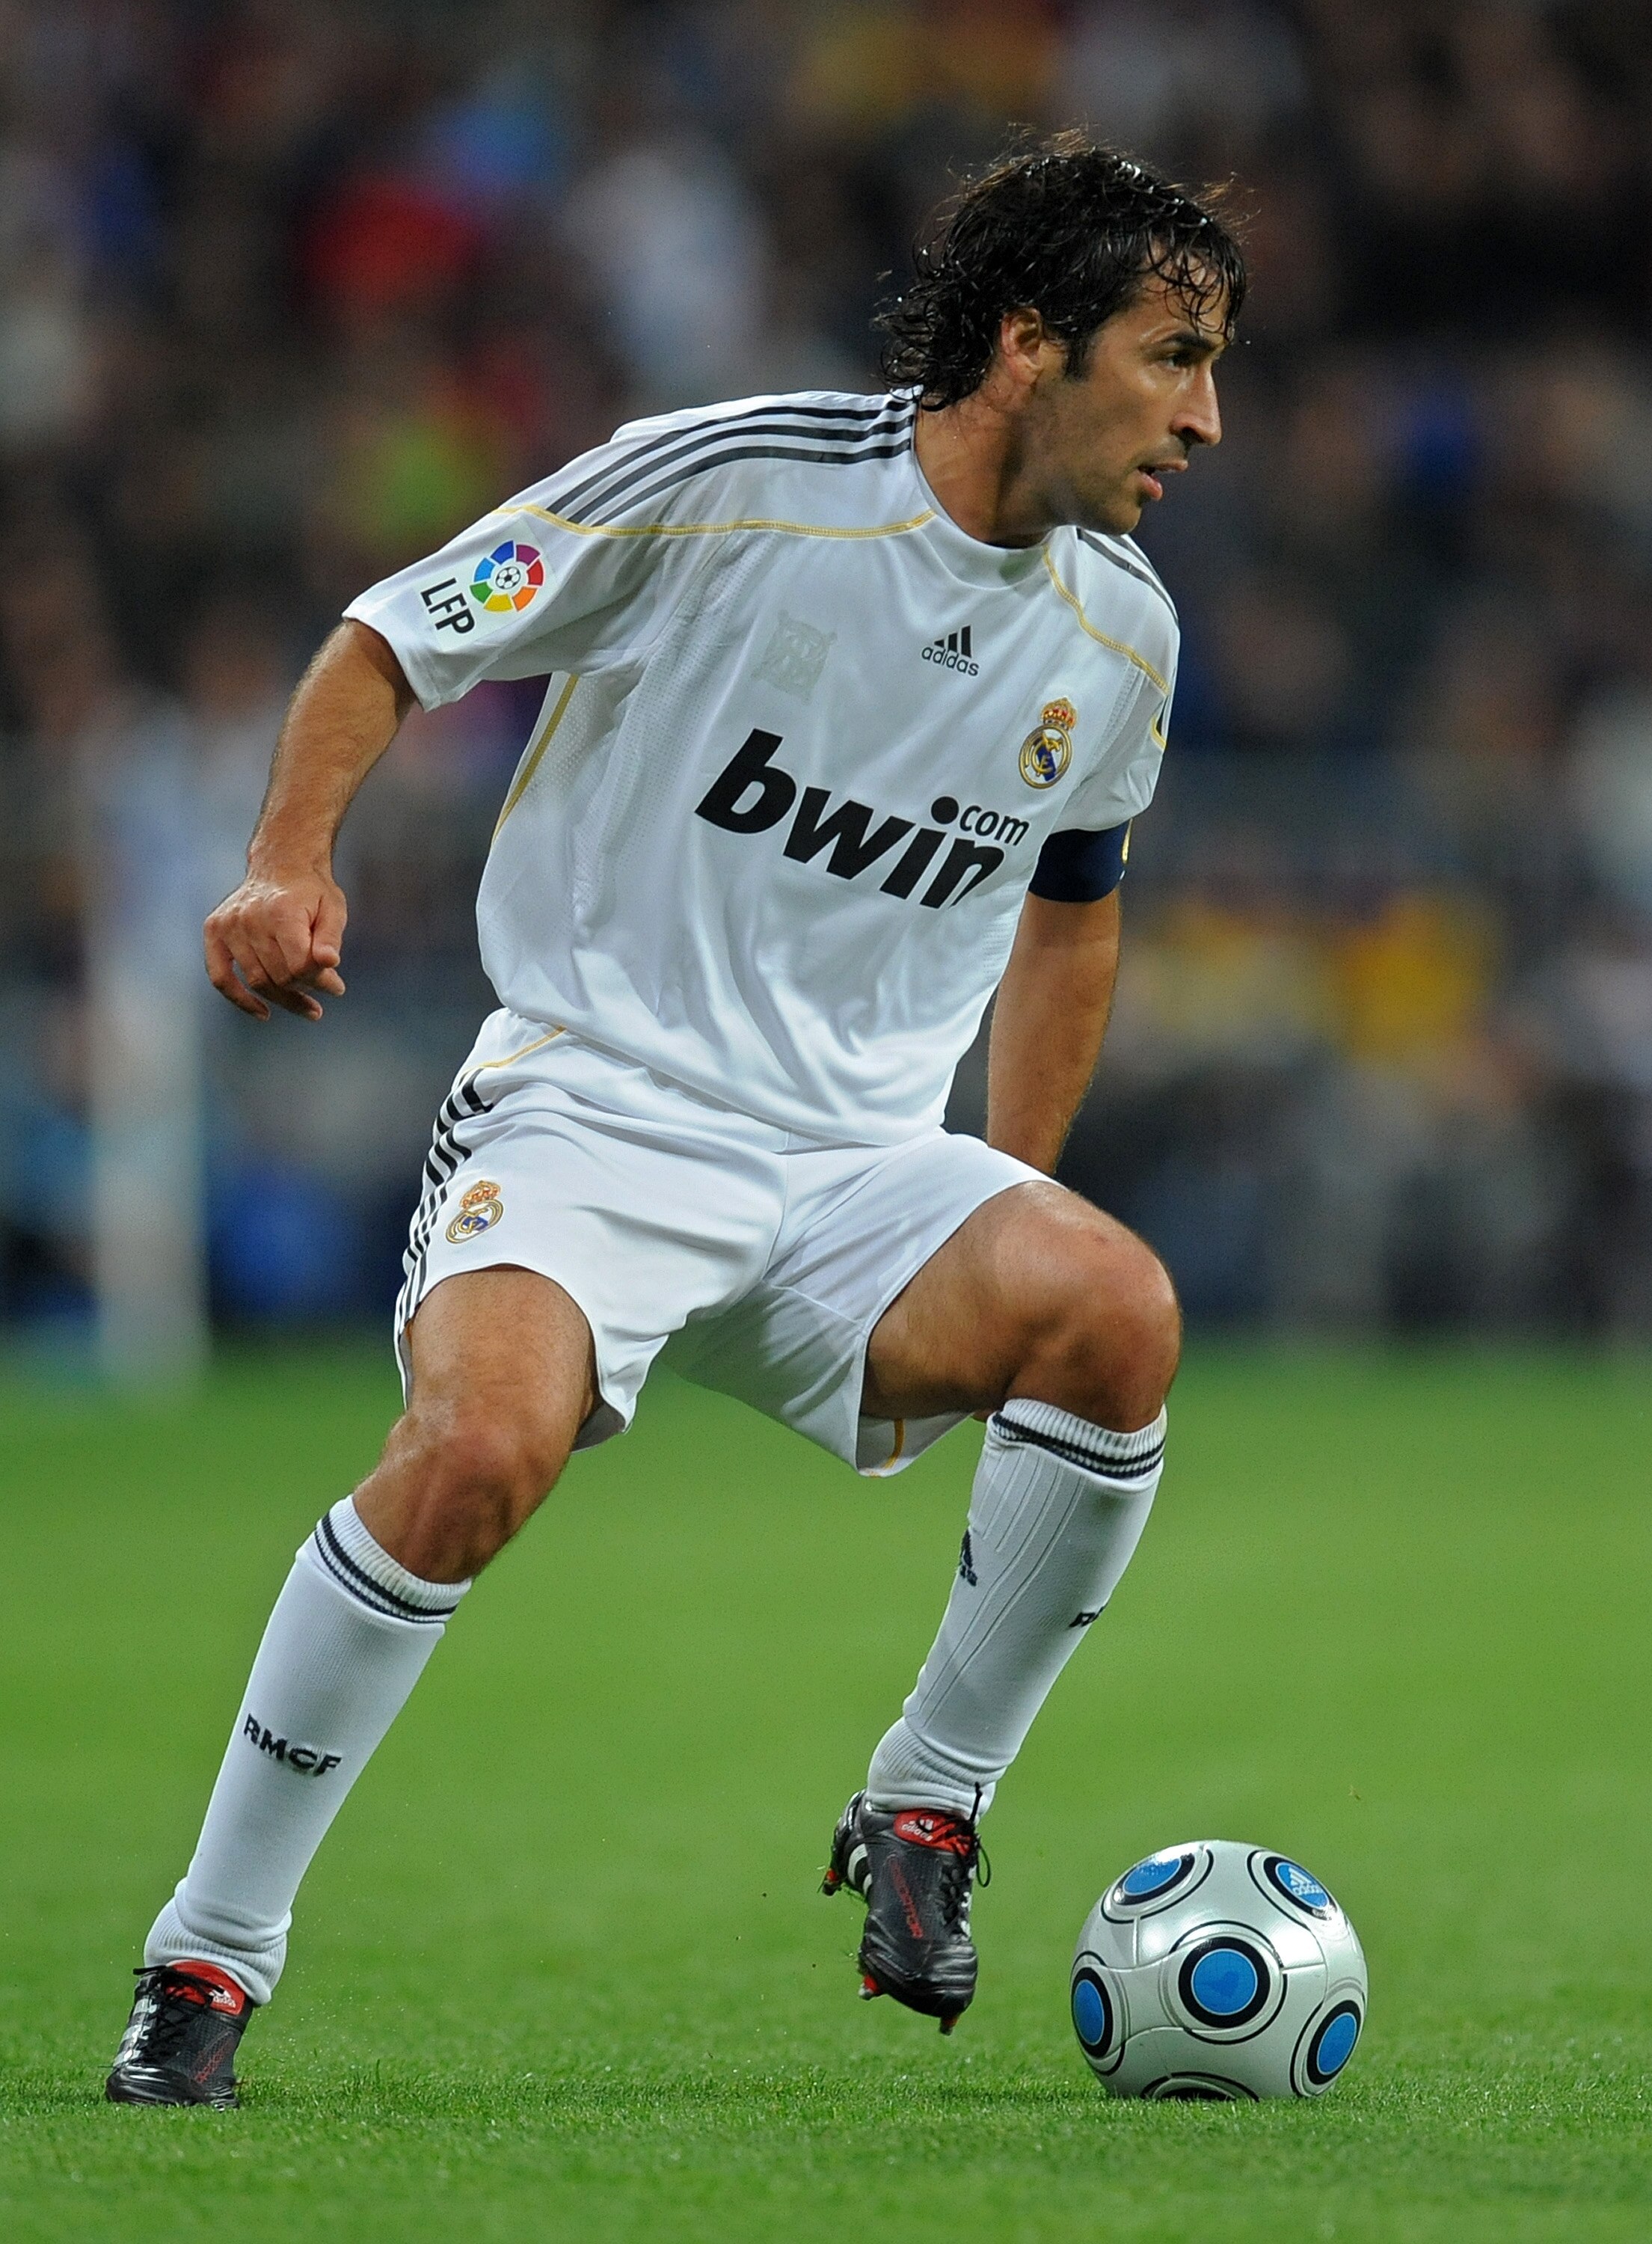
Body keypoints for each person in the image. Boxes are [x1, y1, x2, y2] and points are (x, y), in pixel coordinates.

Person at [105, 134, 1241, 2107]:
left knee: (1113, 1314)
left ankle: (928, 1808)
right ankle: (208, 1960)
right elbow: (400, 628)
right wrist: (288, 859)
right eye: (1172, 356)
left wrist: (997, 1190)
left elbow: (1075, 909)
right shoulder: (737, 483)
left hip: (853, 1177)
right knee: (472, 1452)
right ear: (1030, 341)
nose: (1207, 419)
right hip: (596, 1112)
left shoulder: (1121, 633)